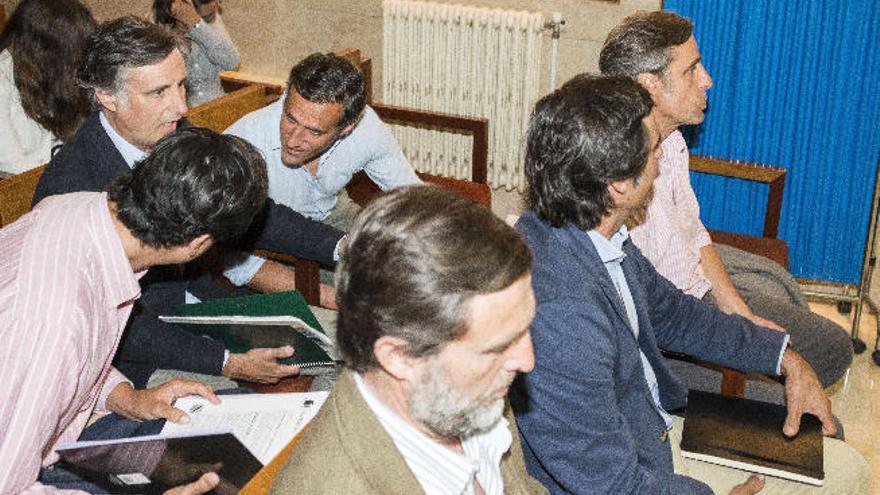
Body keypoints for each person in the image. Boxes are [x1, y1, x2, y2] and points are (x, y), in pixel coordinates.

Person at [510, 74, 867, 494]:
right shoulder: (562, 312)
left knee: (836, 456)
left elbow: (679, 315)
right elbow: (609, 482)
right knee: (848, 474)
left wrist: (784, 357)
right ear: (619, 186)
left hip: (649, 437)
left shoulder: (588, 233)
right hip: (642, 473)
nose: (662, 157)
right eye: (653, 147)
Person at [32, 16, 342, 388]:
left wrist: (344, 246)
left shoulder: (170, 134)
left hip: (209, 308)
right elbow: (109, 324)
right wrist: (226, 362)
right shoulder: (70, 189)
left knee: (353, 344)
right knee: (288, 399)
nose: (180, 107)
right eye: (159, 92)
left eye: (181, 85)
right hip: (140, 356)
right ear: (106, 95)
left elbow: (255, 213)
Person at [598, 10, 852, 402]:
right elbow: (641, 314)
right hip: (665, 337)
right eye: (692, 69)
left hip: (698, 296)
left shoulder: (674, 142)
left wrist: (738, 310)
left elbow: (695, 233)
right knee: (805, 409)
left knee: (833, 347)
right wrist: (738, 341)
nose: (708, 81)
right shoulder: (615, 176)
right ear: (649, 84)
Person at [0, 127, 268, 494]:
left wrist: (129, 399)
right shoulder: (58, 324)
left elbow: (69, 361)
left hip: (61, 427)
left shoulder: (80, 208)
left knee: (241, 427)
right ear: (199, 244)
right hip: (25, 471)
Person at [271, 186, 547, 495]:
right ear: (400, 357)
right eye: (498, 346)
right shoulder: (335, 485)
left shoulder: (460, 388)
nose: (527, 360)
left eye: (525, 328)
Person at [224, 52, 420, 291]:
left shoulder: (366, 128)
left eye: (314, 132)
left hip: (333, 213)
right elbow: (232, 260)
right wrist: (332, 298)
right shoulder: (243, 145)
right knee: (377, 297)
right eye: (290, 119)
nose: (294, 140)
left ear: (347, 128)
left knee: (420, 274)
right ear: (285, 98)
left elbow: (413, 194)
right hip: (270, 243)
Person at [0, 0, 95, 174]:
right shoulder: (3, 80)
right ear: (43, 49)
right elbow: (11, 167)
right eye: (73, 52)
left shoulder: (53, 71)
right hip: (28, 185)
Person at [153, 0, 240, 107]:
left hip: (219, 107)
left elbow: (232, 62)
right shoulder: (162, 41)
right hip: (184, 115)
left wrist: (197, 26)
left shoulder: (207, 31)